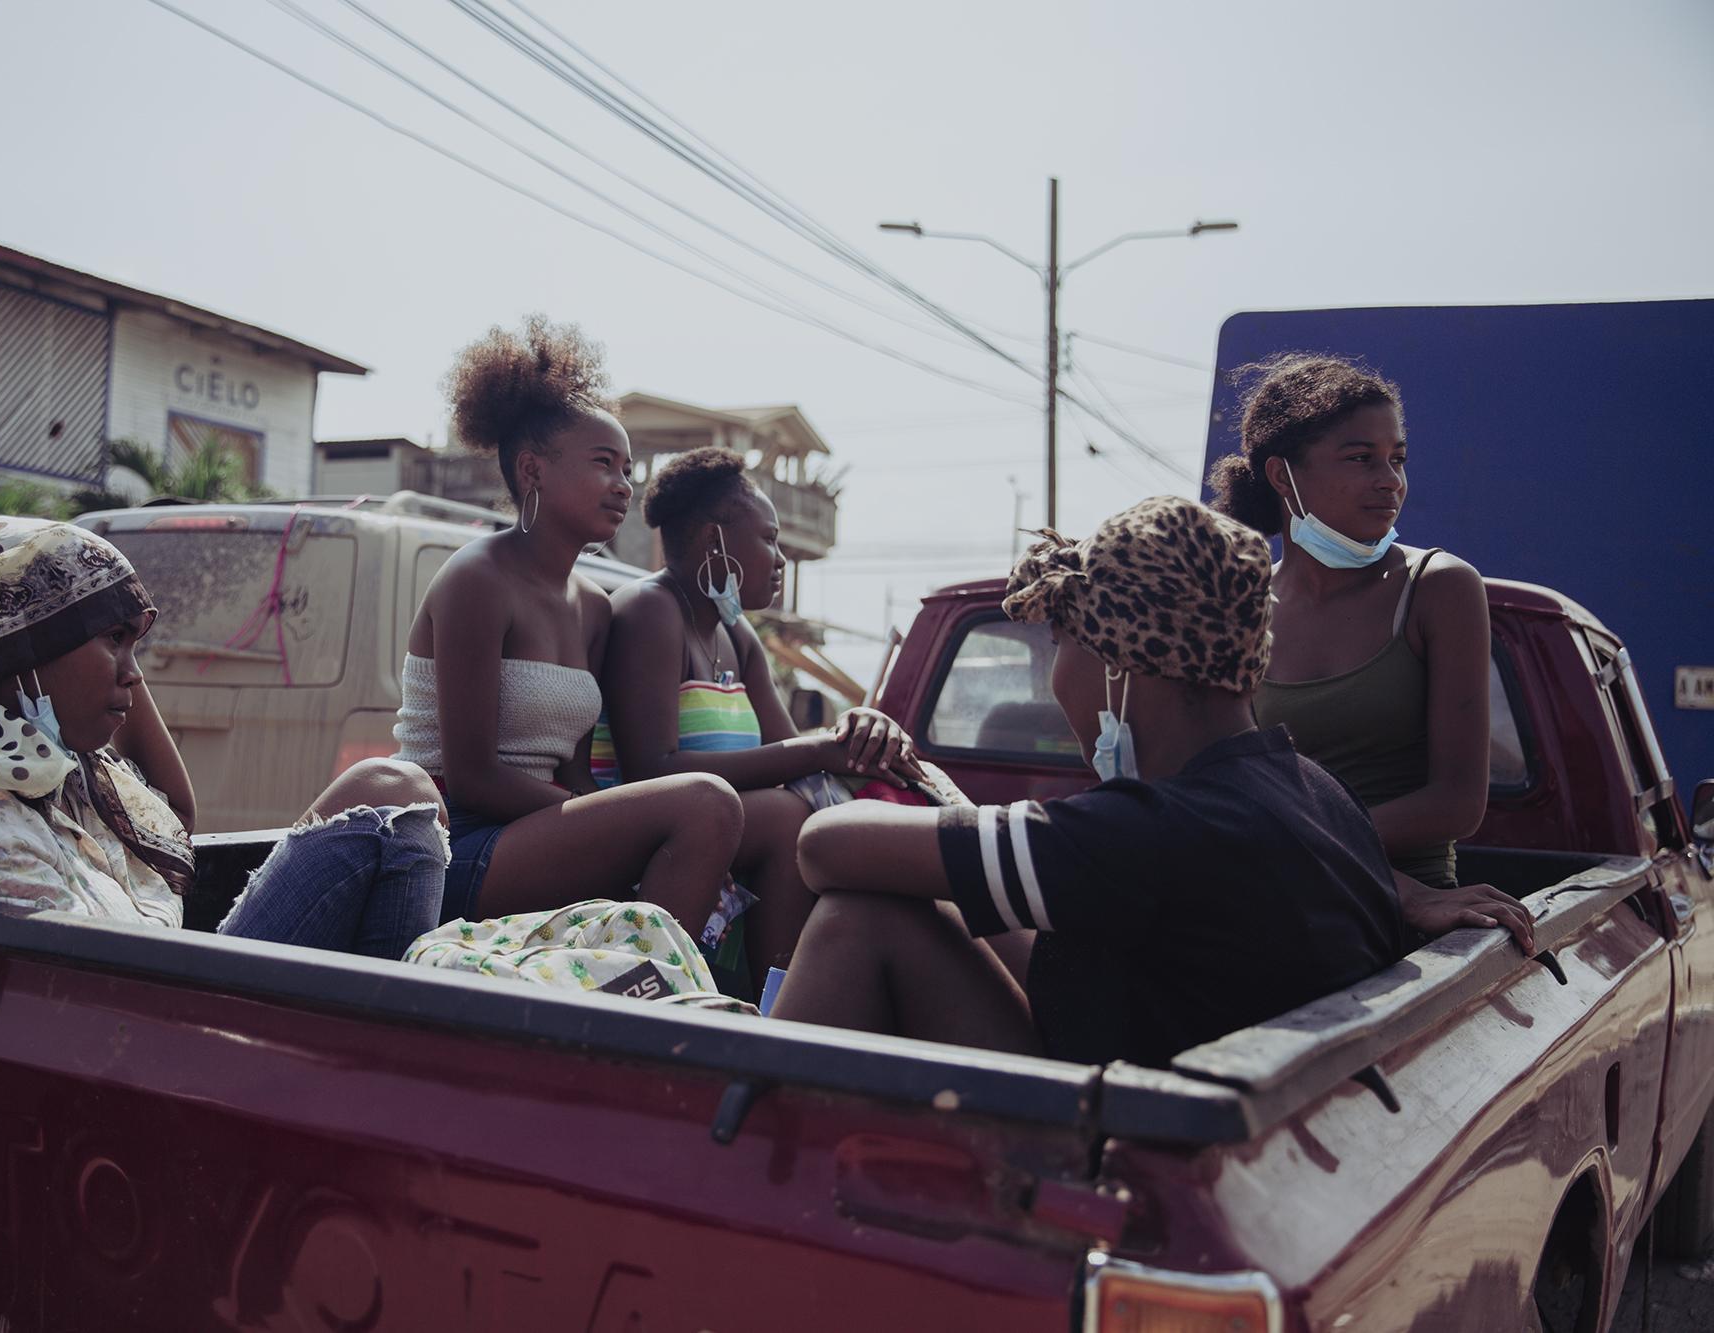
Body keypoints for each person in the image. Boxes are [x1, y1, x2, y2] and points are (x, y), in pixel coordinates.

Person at [771, 497, 1534, 1066]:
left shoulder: (1151, 829)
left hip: (1116, 1150)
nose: (1055, 674)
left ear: (1121, 664)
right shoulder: (1310, 790)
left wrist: (983, 831)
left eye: (1061, 642)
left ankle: (744, 1177)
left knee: (861, 918)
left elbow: (823, 844)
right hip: (1188, 1082)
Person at [0, 516, 447, 961]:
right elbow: (81, 999)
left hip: (165, 996)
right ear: (24, 653)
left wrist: (105, 664)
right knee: (395, 799)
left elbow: (177, 825)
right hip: (166, 1037)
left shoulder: (54, 769)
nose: (136, 673)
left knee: (389, 791)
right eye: (114, 641)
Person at [394, 317, 740, 934]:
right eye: (604, 464)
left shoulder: (594, 606)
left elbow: (574, 769)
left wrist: (597, 818)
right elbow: (472, 779)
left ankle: (641, 991)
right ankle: (638, 1012)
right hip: (451, 840)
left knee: (707, 816)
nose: (624, 485)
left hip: (535, 832)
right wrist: (598, 818)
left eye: (628, 468)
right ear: (533, 471)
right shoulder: (477, 579)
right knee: (707, 805)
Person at [597, 446, 921, 985]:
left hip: (721, 830)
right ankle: (779, 1010)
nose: (781, 559)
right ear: (713, 540)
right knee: (784, 818)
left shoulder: (737, 634)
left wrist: (857, 729)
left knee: (828, 821)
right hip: (650, 830)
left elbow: (791, 758)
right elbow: (654, 768)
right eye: (769, 539)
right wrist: (820, 749)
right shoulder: (650, 610)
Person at [1208, 354, 1490, 892]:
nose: (1391, 482)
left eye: (1398, 459)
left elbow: (1456, 802)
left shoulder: (1439, 586)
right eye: (1361, 458)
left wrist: (1297, 846)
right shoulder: (1240, 604)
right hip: (1273, 895)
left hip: (1405, 915)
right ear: (1281, 475)